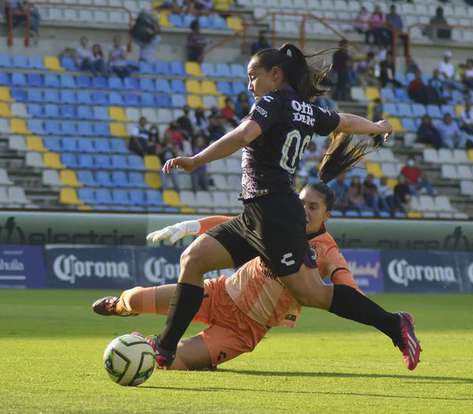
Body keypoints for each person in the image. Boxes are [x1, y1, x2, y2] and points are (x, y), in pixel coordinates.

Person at [156, 43, 399, 370]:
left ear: (275, 75)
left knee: (313, 294)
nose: (250, 85)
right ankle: (166, 347)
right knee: (194, 258)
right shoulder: (306, 109)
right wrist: (377, 127)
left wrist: (197, 160)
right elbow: (344, 122)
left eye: (253, 76)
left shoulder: (272, 102)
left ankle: (394, 324)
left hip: (274, 212)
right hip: (257, 213)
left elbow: (244, 135)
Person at [93, 183, 421, 370]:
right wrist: (190, 226)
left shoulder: (326, 249)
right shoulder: (277, 226)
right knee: (135, 298)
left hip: (244, 330)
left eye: (314, 207)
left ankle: (150, 346)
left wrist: (359, 304)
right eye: (302, 203)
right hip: (217, 294)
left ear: (327, 215)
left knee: (170, 362)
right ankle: (122, 305)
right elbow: (237, 224)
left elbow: (343, 284)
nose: (305, 211)